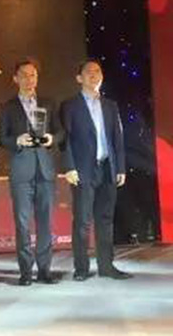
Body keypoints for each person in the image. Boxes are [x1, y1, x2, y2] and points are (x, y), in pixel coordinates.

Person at [61, 58, 131, 281]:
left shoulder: (110, 105)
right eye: (89, 72)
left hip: (107, 168)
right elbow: (65, 140)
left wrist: (120, 167)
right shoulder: (70, 106)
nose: (94, 75)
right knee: (82, 221)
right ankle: (81, 268)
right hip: (83, 170)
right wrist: (69, 167)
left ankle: (106, 266)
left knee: (105, 219)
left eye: (98, 71)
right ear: (79, 78)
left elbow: (117, 139)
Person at [0, 58, 63, 285]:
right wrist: (17, 140)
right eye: (24, 75)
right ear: (15, 79)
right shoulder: (8, 107)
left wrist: (51, 139)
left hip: (45, 169)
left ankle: (44, 270)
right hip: (21, 170)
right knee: (23, 222)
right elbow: (1, 137)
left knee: (45, 222)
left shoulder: (48, 103)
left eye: (33, 75)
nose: (29, 79)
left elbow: (60, 132)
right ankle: (25, 271)